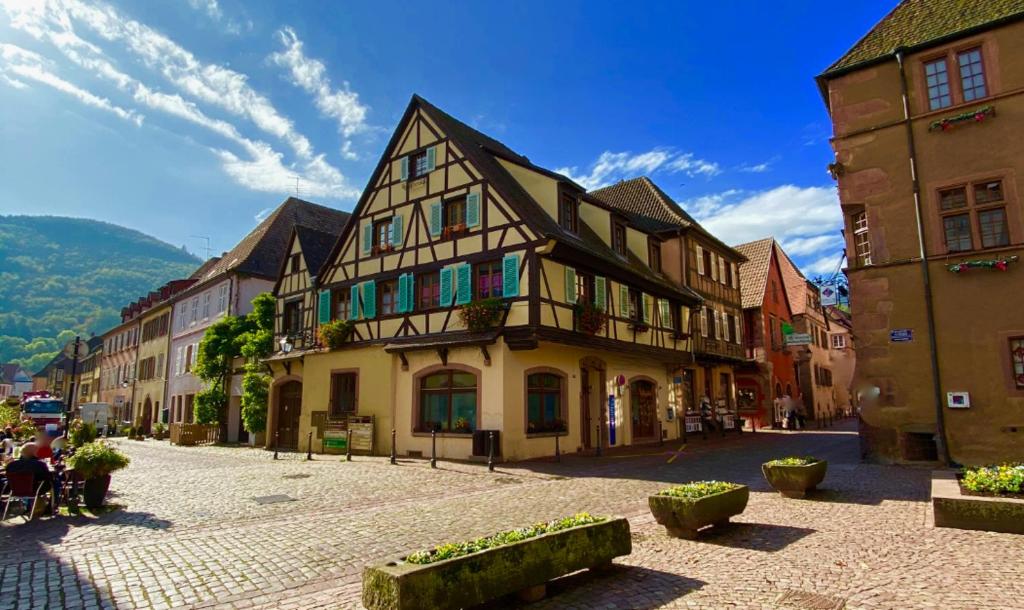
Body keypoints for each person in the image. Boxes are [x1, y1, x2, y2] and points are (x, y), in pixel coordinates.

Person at [5, 443, 54, 511]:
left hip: (15, 490)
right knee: (54, 482)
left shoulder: (11, 465)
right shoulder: (39, 464)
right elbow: (47, 478)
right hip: (35, 490)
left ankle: (29, 507)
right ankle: (51, 507)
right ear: (35, 453)